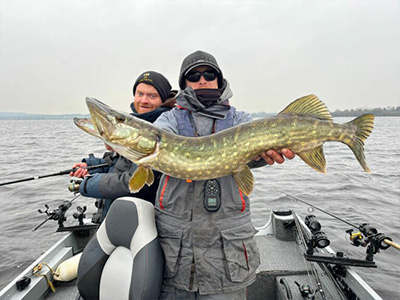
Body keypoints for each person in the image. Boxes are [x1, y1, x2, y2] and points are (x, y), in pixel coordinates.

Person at [153, 50, 295, 299]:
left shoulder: (240, 119)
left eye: (209, 74)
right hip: (176, 251)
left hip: (227, 251)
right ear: (184, 84)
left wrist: (265, 156)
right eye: (193, 75)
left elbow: (252, 158)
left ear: (219, 79)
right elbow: (156, 143)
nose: (202, 79)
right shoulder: (169, 120)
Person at [70, 71, 177, 222]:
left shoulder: (164, 130)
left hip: (138, 221)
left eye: (152, 96)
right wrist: (95, 166)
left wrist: (88, 184)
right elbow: (123, 162)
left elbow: (133, 184)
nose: (144, 100)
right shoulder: (136, 124)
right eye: (140, 94)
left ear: (163, 100)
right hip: (117, 215)